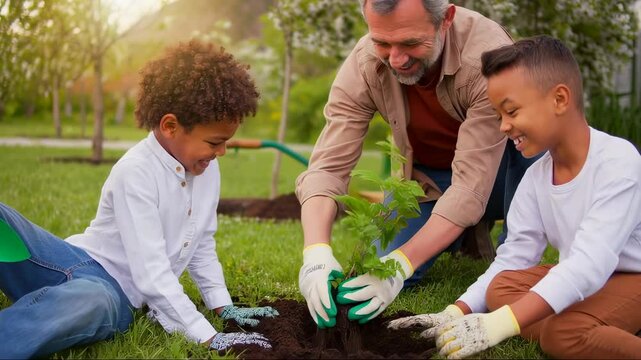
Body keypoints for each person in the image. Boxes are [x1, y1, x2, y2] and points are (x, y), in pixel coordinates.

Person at [0, 40, 277, 359]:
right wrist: (207, 336)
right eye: (215, 142)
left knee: (85, 301)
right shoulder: (136, 171)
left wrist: (223, 306)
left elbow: (201, 244)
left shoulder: (206, 170)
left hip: (112, 295)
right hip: (73, 259)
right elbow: (151, 272)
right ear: (170, 126)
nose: (222, 152)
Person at [388, 35, 641, 359]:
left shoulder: (618, 161)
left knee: (561, 336)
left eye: (511, 111)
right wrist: (456, 311)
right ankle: (576, 324)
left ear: (560, 99)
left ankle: (573, 329)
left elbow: (589, 264)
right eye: (498, 116)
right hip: (590, 278)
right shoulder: (537, 176)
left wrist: (501, 324)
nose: (504, 126)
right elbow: (515, 257)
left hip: (630, 277)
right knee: (501, 287)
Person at [297, 0, 538, 328]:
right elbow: (328, 166)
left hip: (503, 170)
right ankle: (461, 234)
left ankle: (512, 260)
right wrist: (316, 253)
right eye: (382, 42)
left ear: (446, 19)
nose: (396, 58)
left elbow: (470, 186)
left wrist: (405, 262)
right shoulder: (365, 62)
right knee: (381, 269)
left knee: (533, 143)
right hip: (430, 176)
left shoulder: (488, 58)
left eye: (411, 43)